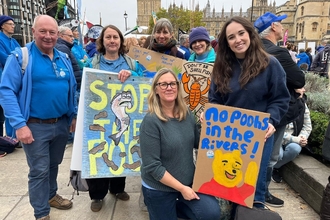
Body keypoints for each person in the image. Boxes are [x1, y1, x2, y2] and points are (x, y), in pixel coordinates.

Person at [0, 15, 77, 220]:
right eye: (43, 31)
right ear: (34, 32)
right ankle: (41, 213)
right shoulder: (19, 57)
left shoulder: (63, 58)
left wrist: (74, 114)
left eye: (52, 32)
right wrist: (19, 125)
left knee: (53, 164)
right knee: (39, 170)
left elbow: (73, 88)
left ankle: (51, 195)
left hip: (61, 123)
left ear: (57, 34)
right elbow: (6, 91)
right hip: (34, 126)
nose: (48, 36)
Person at [210, 16, 290, 209]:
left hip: (259, 135)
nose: (237, 40)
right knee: (227, 186)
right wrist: (210, 113)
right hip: (228, 135)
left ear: (250, 34)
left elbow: (280, 98)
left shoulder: (270, 64)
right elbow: (215, 100)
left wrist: (271, 120)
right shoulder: (221, 68)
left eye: (241, 33)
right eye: (231, 37)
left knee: (252, 189)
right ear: (226, 43)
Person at [140, 67, 221, 220]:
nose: (169, 87)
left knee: (211, 213)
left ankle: (174, 208)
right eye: (163, 84)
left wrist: (208, 126)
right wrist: (182, 189)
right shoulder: (151, 121)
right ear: (156, 90)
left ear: (178, 87)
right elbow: (153, 166)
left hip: (188, 182)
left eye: (172, 83)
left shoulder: (187, 114)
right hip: (160, 188)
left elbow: (199, 142)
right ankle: (156, 205)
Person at [87, 24, 143, 213]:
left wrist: (132, 74)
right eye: (108, 37)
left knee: (120, 149)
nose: (112, 41)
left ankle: (118, 188)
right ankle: (97, 195)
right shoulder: (92, 63)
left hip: (123, 115)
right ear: (102, 41)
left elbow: (144, 80)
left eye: (115, 37)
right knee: (98, 152)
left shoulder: (131, 63)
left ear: (121, 41)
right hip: (99, 117)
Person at [254, 11, 305, 207]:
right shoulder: (278, 53)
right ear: (273, 27)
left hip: (257, 113)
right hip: (275, 115)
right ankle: (262, 194)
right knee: (270, 156)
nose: (283, 27)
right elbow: (299, 79)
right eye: (280, 24)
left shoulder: (254, 51)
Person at [272, 87, 312, 183]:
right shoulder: (282, 104)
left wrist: (302, 137)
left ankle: (275, 168)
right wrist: (296, 140)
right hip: (277, 138)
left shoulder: (303, 105)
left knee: (295, 149)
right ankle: (269, 169)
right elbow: (277, 130)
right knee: (279, 155)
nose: (304, 90)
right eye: (301, 88)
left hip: (293, 138)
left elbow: (307, 126)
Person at [0, 15, 21, 138]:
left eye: (13, 24)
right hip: (5, 75)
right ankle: (10, 136)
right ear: (2, 25)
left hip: (16, 75)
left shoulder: (13, 41)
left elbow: (22, 55)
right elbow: (5, 58)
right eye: (10, 24)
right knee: (9, 104)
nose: (13, 26)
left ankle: (15, 135)